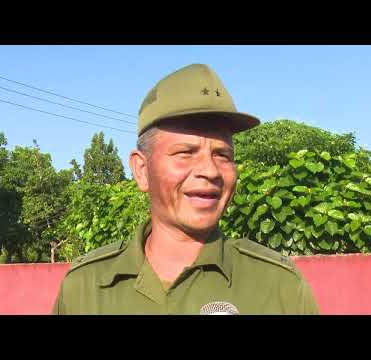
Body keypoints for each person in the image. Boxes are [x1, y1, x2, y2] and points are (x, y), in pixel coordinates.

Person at [52, 64, 319, 315]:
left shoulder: (279, 287)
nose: (211, 170)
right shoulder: (85, 289)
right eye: (185, 152)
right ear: (142, 170)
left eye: (223, 155)